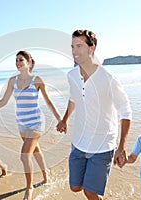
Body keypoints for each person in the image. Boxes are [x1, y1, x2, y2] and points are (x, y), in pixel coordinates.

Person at [56, 29, 132, 199]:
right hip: (79, 141)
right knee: (75, 187)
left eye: (79, 46)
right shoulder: (72, 75)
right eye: (73, 46)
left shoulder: (108, 77)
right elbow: (74, 98)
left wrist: (122, 147)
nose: (75, 51)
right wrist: (64, 119)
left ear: (92, 48)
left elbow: (126, 111)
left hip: (103, 144)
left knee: (90, 191)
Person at [0, 50, 61, 200]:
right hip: (22, 124)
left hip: (36, 123)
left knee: (24, 155)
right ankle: (45, 173)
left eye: (21, 60)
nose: (18, 63)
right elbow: (3, 102)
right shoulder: (13, 81)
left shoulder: (37, 80)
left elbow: (48, 102)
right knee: (35, 150)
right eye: (16, 60)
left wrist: (60, 119)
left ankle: (29, 188)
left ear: (29, 62)